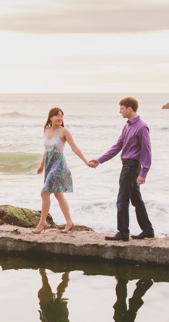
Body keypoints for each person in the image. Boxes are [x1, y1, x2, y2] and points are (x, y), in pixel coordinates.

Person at [88, 97, 155, 241]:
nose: (120, 111)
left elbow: (147, 151)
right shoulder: (127, 126)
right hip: (127, 166)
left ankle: (123, 232)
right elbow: (117, 146)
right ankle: (148, 230)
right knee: (136, 200)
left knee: (122, 200)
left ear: (129, 109)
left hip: (132, 167)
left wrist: (144, 173)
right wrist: (100, 160)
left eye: (121, 108)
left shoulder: (142, 127)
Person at [33, 107, 91, 234]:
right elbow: (46, 149)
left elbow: (74, 148)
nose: (60, 118)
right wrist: (41, 165)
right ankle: (69, 222)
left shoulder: (64, 132)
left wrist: (86, 161)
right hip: (49, 165)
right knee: (58, 194)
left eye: (61, 116)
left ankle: (42, 222)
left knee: (44, 193)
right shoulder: (46, 130)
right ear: (50, 117)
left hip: (59, 166)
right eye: (57, 116)